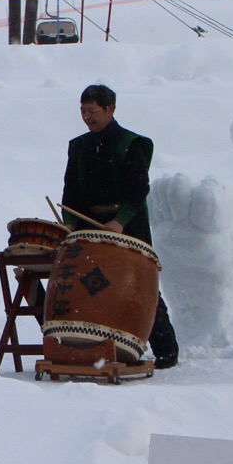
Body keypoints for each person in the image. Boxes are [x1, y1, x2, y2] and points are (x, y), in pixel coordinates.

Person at [61, 84, 179, 368]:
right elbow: (71, 192)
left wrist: (119, 221)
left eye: (93, 111)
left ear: (110, 109)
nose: (87, 117)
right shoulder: (78, 146)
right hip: (91, 227)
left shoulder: (131, 143)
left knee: (139, 284)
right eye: (83, 111)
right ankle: (100, 346)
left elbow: (139, 190)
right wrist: (70, 225)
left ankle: (166, 350)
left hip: (127, 223)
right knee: (93, 284)